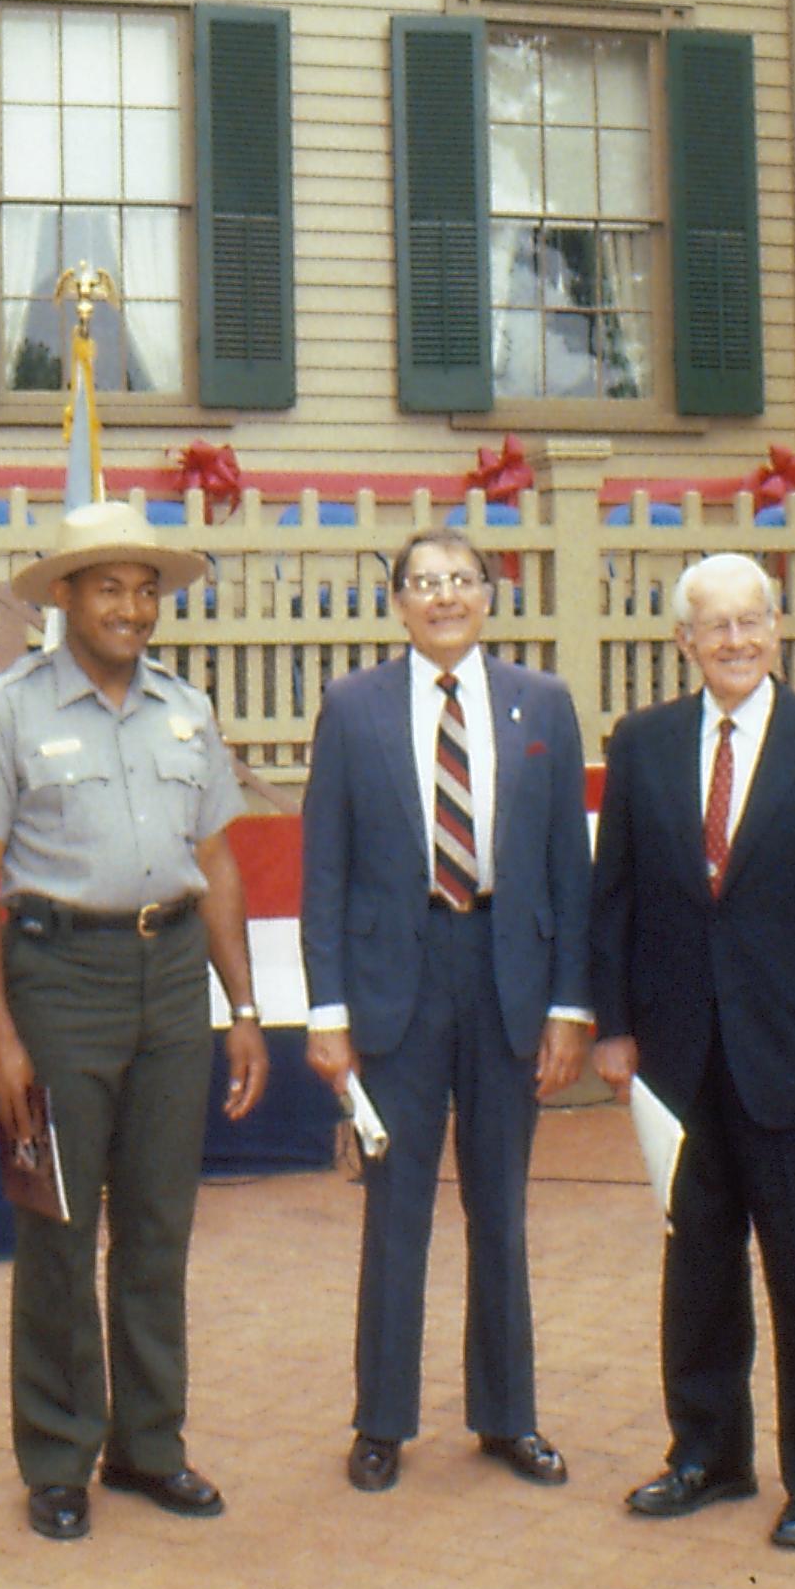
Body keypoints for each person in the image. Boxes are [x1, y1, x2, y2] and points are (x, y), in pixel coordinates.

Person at [0, 500, 270, 1542]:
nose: (132, 609)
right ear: (64, 599)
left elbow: (215, 861)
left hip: (170, 976)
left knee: (159, 1224)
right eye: (109, 588)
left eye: (145, 590)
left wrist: (246, 1008)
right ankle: (55, 1455)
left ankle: (149, 1447)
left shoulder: (186, 710)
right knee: (58, 1224)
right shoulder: (5, 712)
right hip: (60, 977)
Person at [589, 550, 795, 1552]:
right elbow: (616, 898)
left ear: (777, 629)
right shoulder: (642, 743)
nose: (734, 641)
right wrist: (616, 1027)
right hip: (679, 1060)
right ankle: (707, 1455)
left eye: (750, 621)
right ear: (683, 642)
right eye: (713, 626)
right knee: (698, 1267)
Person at [299, 526, 593, 1493]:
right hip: (399, 981)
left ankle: (507, 1417)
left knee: (500, 1207)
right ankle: (382, 1419)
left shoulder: (541, 704)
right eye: (423, 583)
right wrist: (327, 1011)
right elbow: (326, 871)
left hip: (509, 969)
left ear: (488, 595)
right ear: (396, 603)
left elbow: (567, 867)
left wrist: (568, 1007)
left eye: (459, 580)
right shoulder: (353, 707)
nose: (443, 598)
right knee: (397, 1207)